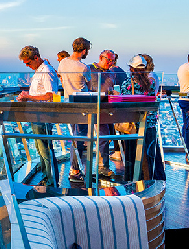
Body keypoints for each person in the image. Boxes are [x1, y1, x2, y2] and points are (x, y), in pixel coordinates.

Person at [17, 45, 59, 185]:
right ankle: (47, 177)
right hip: (37, 115)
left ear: (36, 58)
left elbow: (50, 96)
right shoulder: (39, 70)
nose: (28, 66)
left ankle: (51, 180)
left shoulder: (46, 71)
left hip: (44, 115)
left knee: (45, 148)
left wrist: (29, 97)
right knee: (41, 147)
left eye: (28, 63)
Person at [120, 55, 165, 181]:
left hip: (133, 124)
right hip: (149, 122)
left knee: (133, 153)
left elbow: (124, 101)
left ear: (131, 68)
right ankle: (151, 177)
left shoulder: (128, 83)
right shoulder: (151, 82)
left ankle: (134, 178)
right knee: (150, 151)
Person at [58, 37, 91, 182]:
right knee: (80, 137)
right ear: (84, 50)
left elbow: (60, 77)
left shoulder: (63, 62)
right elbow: (90, 85)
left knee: (74, 136)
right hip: (82, 104)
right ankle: (75, 170)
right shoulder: (83, 67)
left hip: (68, 102)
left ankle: (75, 168)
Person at [89, 50, 117, 177]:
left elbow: (110, 89)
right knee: (103, 136)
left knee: (108, 136)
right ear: (101, 57)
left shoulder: (111, 73)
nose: (110, 63)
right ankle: (102, 166)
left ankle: (102, 165)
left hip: (108, 108)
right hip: (94, 108)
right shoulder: (90, 69)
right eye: (109, 60)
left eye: (113, 60)